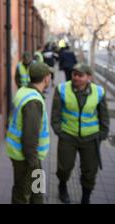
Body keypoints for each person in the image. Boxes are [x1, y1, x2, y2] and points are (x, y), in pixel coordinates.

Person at [51, 63, 110, 204]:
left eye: (80, 75)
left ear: (88, 77)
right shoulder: (62, 89)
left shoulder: (99, 92)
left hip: (91, 138)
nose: (75, 77)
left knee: (89, 171)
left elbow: (104, 116)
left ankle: (85, 197)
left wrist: (102, 134)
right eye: (74, 74)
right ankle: (62, 186)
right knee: (64, 167)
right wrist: (59, 131)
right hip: (68, 136)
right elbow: (55, 114)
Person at [6, 62, 53, 204]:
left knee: (36, 191)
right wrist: (33, 164)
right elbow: (29, 138)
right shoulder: (33, 101)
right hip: (28, 159)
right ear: (46, 78)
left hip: (25, 156)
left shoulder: (23, 91)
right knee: (22, 195)